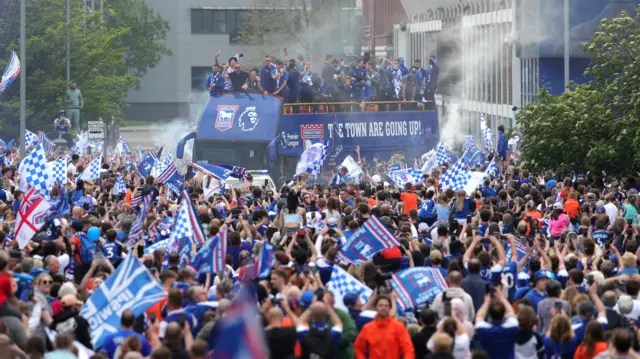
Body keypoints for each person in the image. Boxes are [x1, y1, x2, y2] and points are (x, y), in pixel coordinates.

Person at [474, 288, 519, 359]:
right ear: (504, 313)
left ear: (489, 314)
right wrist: (502, 298)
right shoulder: (512, 327)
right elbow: (511, 313)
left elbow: (479, 316)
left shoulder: (483, 329)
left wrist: (486, 302)